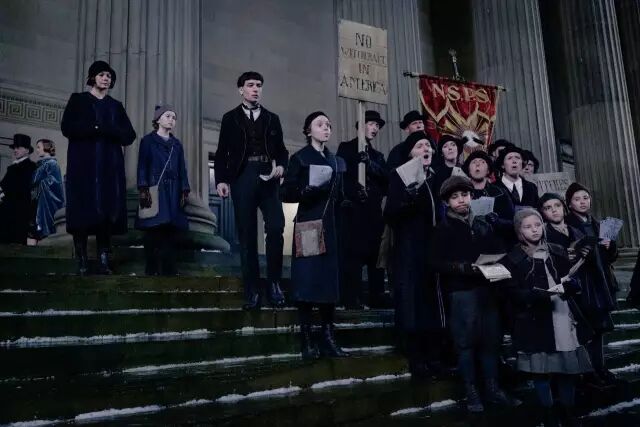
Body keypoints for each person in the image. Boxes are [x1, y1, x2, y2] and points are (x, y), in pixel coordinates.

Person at [430, 175, 519, 413]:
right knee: (465, 343)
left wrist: (497, 264)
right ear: (447, 202)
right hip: (461, 292)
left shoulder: (483, 224)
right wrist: (463, 268)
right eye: (455, 197)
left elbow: (498, 250)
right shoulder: (443, 228)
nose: (461, 200)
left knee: (491, 341)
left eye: (465, 195)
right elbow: (435, 262)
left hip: (487, 290)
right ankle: (471, 391)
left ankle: (493, 389)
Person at [500, 208, 592, 426]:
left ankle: (568, 411)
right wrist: (534, 295)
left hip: (561, 314)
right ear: (519, 230)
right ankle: (548, 413)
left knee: (566, 369)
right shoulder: (512, 258)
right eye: (528, 227)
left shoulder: (557, 250)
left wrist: (571, 286)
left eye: (537, 225)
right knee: (540, 371)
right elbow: (511, 292)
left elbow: (571, 279)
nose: (534, 230)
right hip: (533, 320)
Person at [213, 71, 288, 310]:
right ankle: (252, 290)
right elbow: (222, 151)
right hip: (242, 176)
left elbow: (282, 151)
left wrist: (281, 166)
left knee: (275, 227)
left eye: (259, 85)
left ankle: (274, 284)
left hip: (268, 176)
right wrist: (221, 180)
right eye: (251, 85)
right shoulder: (230, 118)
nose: (255, 89)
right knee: (246, 235)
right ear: (241, 90)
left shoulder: (272, 118)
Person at [281, 111, 348, 359]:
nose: (326, 128)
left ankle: (328, 338)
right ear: (309, 130)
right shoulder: (300, 158)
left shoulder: (336, 161)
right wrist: (303, 192)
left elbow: (340, 195)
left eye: (328, 124)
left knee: (328, 282)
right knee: (308, 280)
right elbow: (285, 193)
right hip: (309, 225)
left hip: (330, 227)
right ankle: (307, 339)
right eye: (320, 124)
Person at [61, 60, 136, 275]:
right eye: (102, 74)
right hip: (83, 166)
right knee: (82, 210)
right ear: (92, 77)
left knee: (106, 211)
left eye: (109, 76)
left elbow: (129, 135)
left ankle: (104, 259)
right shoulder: (78, 100)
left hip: (108, 167)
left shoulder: (115, 106)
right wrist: (94, 127)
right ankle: (82, 258)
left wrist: (108, 129)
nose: (106, 78)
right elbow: (67, 127)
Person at [384, 131, 445, 378]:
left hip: (433, 249)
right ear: (410, 153)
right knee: (413, 302)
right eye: (420, 146)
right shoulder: (400, 176)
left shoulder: (436, 178)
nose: (426, 149)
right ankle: (416, 357)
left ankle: (434, 355)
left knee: (432, 303)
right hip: (410, 249)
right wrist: (408, 200)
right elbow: (390, 214)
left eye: (428, 145)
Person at [565, 182, 618, 385]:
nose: (582, 202)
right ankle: (588, 371)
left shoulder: (599, 224)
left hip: (601, 281)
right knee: (587, 329)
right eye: (577, 199)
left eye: (585, 198)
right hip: (583, 282)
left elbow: (611, 257)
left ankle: (600, 367)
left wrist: (610, 246)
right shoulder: (568, 224)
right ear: (569, 203)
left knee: (600, 328)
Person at [337, 110, 389, 308]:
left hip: (373, 212)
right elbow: (341, 176)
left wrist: (371, 165)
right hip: (354, 211)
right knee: (353, 255)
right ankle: (352, 297)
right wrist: (352, 194)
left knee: (376, 256)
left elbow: (386, 181)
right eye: (371, 124)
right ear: (361, 125)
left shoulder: (377, 156)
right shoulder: (346, 148)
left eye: (378, 126)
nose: (375, 128)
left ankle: (377, 296)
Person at [136, 105, 190, 276]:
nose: (171, 120)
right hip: (155, 189)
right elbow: (142, 166)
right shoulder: (148, 141)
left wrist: (184, 190)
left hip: (173, 191)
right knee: (153, 229)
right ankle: (151, 267)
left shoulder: (177, 144)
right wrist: (143, 188)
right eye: (167, 116)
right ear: (158, 119)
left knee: (171, 230)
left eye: (174, 117)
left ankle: (169, 269)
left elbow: (182, 169)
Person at [462, 150, 515, 249]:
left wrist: (497, 221)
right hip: (469, 246)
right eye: (474, 162)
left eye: (482, 162)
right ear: (468, 170)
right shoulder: (461, 194)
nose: (477, 164)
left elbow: (512, 222)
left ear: (488, 170)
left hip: (497, 246)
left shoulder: (500, 192)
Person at [0, 134, 37, 244]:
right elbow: (3, 186)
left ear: (27, 150)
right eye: (14, 148)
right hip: (7, 214)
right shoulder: (12, 168)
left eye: (19, 147)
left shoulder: (32, 167)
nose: (15, 150)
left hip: (21, 214)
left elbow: (27, 192)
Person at [28, 139, 64, 244]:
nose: (37, 150)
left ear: (46, 147)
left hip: (45, 202)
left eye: (39, 147)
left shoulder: (52, 164)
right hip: (36, 200)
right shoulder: (39, 165)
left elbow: (54, 182)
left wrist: (38, 185)